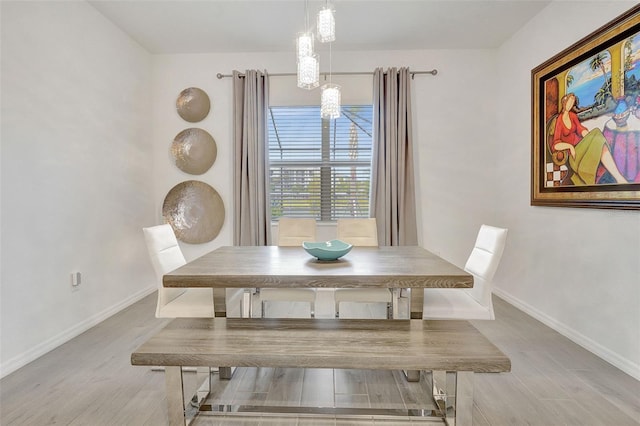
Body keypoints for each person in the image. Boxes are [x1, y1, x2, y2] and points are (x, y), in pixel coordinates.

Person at [552, 93, 627, 185]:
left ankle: (618, 177)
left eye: (572, 101)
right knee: (597, 132)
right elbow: (555, 144)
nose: (570, 104)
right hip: (574, 156)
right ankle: (619, 178)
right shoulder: (559, 120)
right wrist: (570, 147)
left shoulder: (573, 116)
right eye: (569, 101)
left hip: (582, 147)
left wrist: (590, 138)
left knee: (597, 137)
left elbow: (581, 130)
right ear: (564, 102)